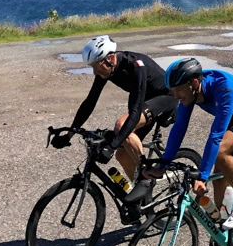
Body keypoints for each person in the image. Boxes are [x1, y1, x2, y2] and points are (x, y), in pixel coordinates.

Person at [146, 57, 233, 231]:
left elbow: (216, 136)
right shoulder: (190, 93)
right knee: (219, 180)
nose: (176, 96)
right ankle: (223, 232)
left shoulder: (223, 87)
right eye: (173, 91)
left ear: (193, 83)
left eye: (178, 90)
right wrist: (163, 163)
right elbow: (179, 129)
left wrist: (202, 176)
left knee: (221, 150)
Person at [50, 35, 178, 187]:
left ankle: (147, 175)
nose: (94, 72)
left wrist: (111, 146)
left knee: (121, 126)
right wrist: (69, 134)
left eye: (96, 66)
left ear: (110, 58)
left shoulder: (136, 65)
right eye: (92, 67)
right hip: (145, 101)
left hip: (166, 98)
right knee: (122, 155)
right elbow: (89, 102)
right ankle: (143, 198)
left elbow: (135, 111)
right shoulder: (106, 70)